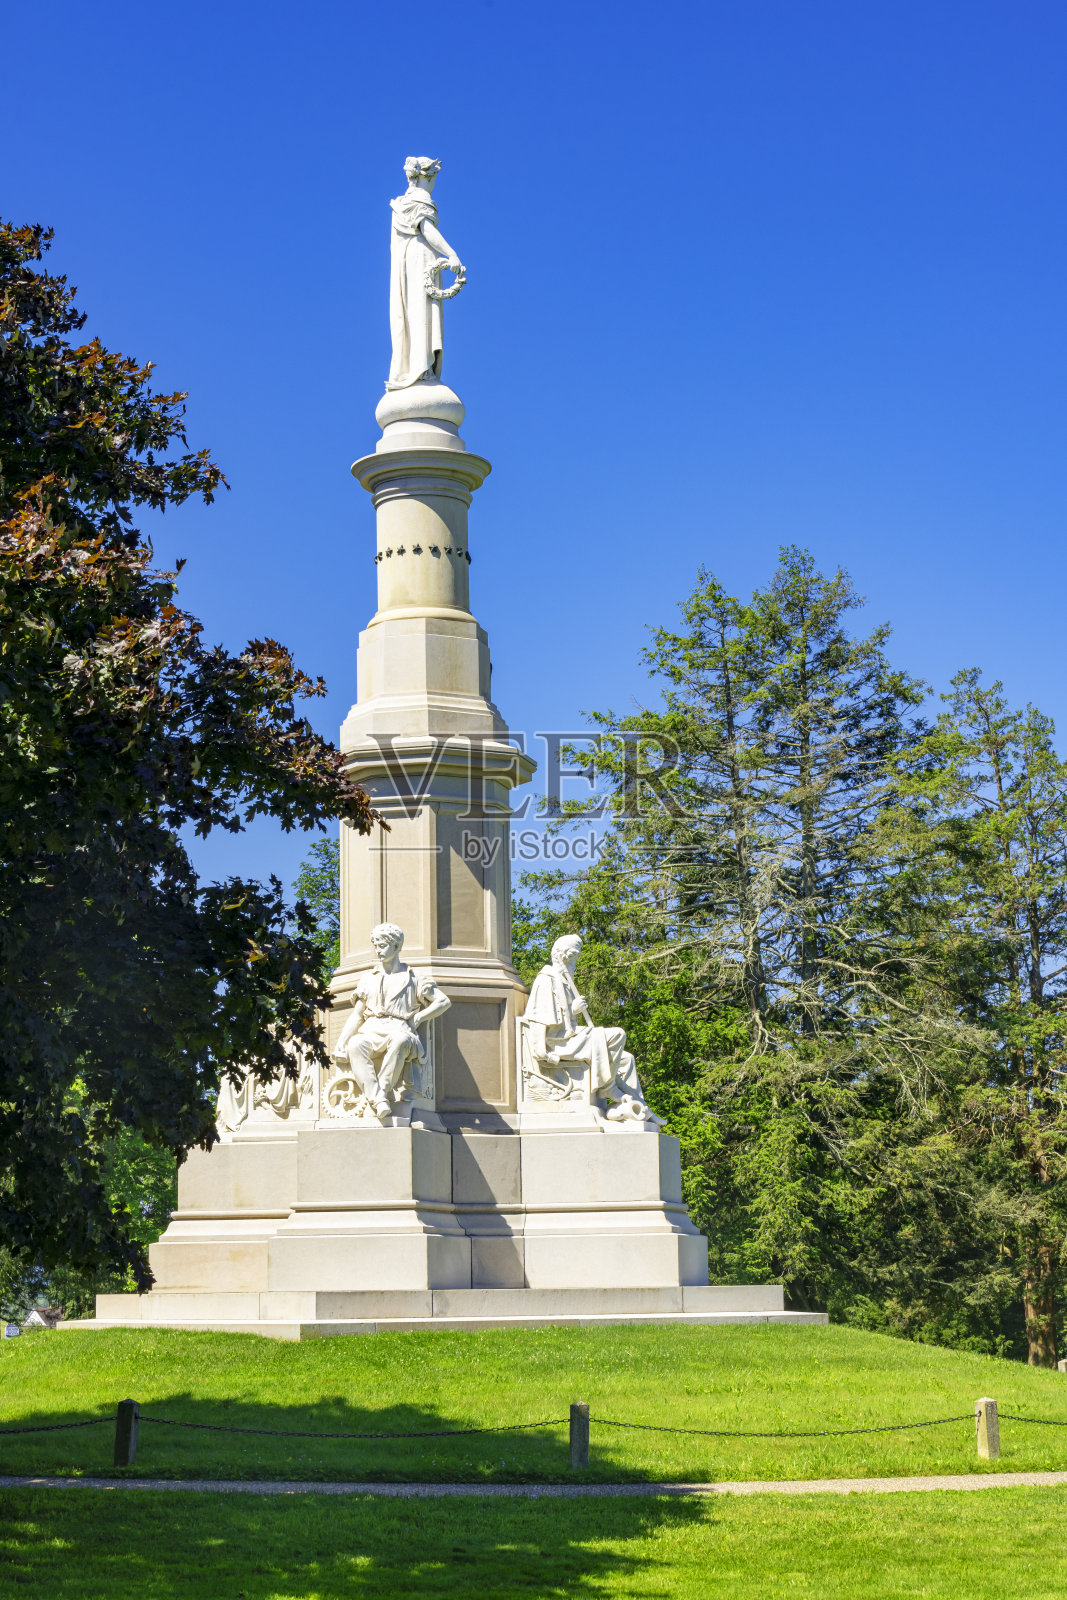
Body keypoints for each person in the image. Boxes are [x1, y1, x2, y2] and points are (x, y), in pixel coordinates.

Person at [522, 934, 659, 1121]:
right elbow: (539, 1020)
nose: (575, 962)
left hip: (571, 1037)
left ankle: (639, 1109)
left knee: (626, 1059)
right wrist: (543, 1052)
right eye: (574, 956)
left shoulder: (565, 980)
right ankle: (608, 1089)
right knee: (617, 1035)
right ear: (563, 956)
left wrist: (572, 1011)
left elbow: (565, 1019)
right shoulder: (547, 979)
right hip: (558, 1042)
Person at [332, 922, 451, 1122]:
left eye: (382, 945)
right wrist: (342, 1041)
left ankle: (382, 1093)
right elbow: (357, 1014)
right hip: (371, 1029)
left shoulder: (413, 977)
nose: (378, 950)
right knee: (355, 1045)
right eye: (376, 945)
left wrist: (420, 1017)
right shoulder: (368, 978)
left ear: (396, 946)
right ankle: (378, 1099)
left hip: (399, 1028)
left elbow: (443, 1001)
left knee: (400, 1040)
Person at [386, 156, 464, 390]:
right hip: (422, 259)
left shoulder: (401, 203)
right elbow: (427, 230)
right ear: (427, 176)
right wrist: (452, 255)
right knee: (422, 312)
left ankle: (413, 366)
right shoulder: (421, 199)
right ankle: (422, 368)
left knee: (411, 312)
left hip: (409, 262)